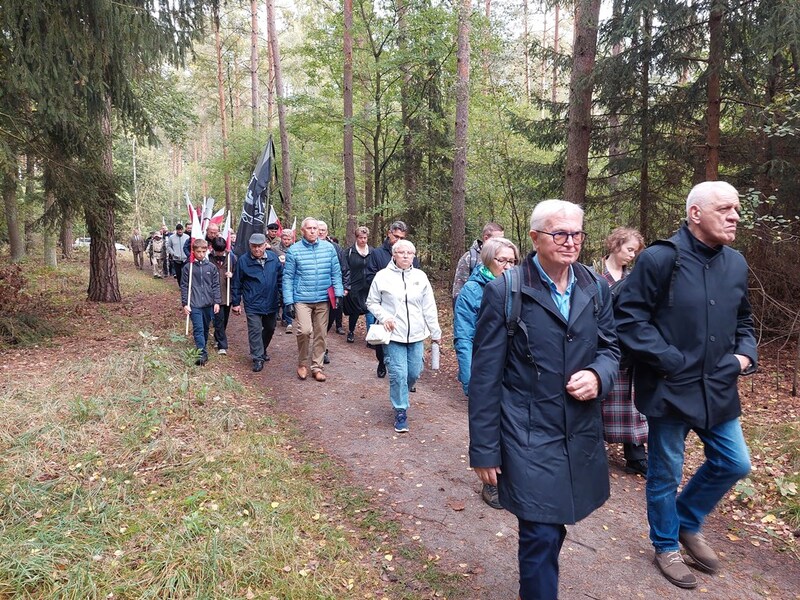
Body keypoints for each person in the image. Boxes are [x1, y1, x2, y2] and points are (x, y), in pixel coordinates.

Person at [468, 200, 619, 599]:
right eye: (560, 233)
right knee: (540, 530)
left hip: (579, 429)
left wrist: (598, 375)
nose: (571, 241)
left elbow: (611, 349)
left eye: (577, 233)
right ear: (535, 238)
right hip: (526, 432)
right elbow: (485, 378)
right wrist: (484, 450)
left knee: (553, 525)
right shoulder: (506, 290)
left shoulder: (595, 287)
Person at [614, 181, 757, 590]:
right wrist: (670, 360)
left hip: (718, 388)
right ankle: (666, 545)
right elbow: (629, 319)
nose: (735, 216)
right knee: (665, 473)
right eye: (725, 209)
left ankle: (686, 521)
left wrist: (744, 356)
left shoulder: (736, 263)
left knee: (734, 463)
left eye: (737, 209)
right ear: (695, 213)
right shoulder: (660, 259)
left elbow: (744, 320)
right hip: (669, 388)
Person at [453, 237, 520, 510]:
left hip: (515, 371)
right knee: (492, 425)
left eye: (512, 261)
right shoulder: (472, 291)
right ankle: (491, 483)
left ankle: (514, 477)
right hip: (486, 370)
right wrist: (470, 376)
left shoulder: (519, 287)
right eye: (502, 260)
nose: (508, 266)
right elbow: (464, 336)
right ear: (488, 261)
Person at [367, 239, 441, 433]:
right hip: (393, 335)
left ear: (414, 256)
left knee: (414, 372)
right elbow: (372, 302)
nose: (406, 256)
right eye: (401, 252)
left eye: (410, 253)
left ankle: (401, 393)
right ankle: (400, 410)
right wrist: (385, 317)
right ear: (394, 255)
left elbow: (429, 306)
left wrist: (435, 332)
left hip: (416, 334)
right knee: (399, 374)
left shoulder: (420, 277)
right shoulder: (382, 276)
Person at [597, 227, 648, 477]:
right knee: (599, 397)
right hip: (599, 344)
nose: (632, 255)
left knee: (631, 402)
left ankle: (635, 456)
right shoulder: (594, 274)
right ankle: (594, 449)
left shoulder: (634, 278)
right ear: (615, 245)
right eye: (629, 249)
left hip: (628, 348)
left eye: (635, 252)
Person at [283, 218, 343, 382]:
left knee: (321, 333)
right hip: (302, 298)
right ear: (302, 231)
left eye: (315, 228)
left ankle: (317, 367)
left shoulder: (329, 248)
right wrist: (288, 301)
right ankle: (302, 363)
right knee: (304, 331)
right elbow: (288, 277)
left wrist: (338, 294)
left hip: (323, 298)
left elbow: (336, 273)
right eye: (309, 228)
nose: (312, 231)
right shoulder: (294, 250)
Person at [365, 220, 419, 378]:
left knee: (406, 340)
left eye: (402, 237)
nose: (398, 240)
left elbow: (416, 277)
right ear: (389, 234)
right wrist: (386, 283)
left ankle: (406, 374)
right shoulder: (377, 253)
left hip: (406, 305)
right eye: (395, 236)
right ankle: (382, 362)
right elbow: (369, 276)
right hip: (384, 303)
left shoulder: (411, 256)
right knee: (383, 336)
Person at [231, 232, 283, 372]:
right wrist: (236, 303)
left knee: (270, 328)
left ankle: (262, 349)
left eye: (259, 246)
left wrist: (284, 297)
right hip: (252, 302)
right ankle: (257, 358)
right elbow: (237, 282)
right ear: (250, 246)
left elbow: (281, 278)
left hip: (271, 301)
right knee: (255, 330)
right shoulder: (243, 261)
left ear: (265, 245)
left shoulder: (273, 258)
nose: (257, 249)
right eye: (254, 246)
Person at [180, 238, 220, 366]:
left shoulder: (211, 267)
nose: (201, 254)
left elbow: (215, 285)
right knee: (198, 328)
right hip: (194, 303)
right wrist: (185, 303)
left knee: (205, 327)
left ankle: (203, 345)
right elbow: (184, 286)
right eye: (198, 252)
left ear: (207, 250)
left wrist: (216, 301)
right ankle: (201, 353)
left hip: (208, 303)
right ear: (193, 251)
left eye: (203, 251)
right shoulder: (188, 268)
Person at [451, 222, 505, 305]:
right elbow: (458, 292)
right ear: (486, 238)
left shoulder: (505, 258)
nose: (501, 243)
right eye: (498, 240)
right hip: (474, 308)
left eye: (503, 240)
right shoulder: (469, 258)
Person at [317, 220, 350, 343]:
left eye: (323, 230)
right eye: (318, 230)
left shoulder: (336, 248)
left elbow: (344, 267)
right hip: (313, 291)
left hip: (332, 289)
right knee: (315, 321)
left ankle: (321, 342)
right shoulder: (305, 247)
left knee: (330, 317)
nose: (320, 232)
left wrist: (345, 286)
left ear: (327, 232)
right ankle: (321, 347)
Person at [343, 226, 372, 343]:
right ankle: (351, 331)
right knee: (355, 310)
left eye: (365, 238)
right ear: (356, 238)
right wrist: (346, 285)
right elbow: (345, 269)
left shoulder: (372, 252)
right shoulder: (349, 252)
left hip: (368, 286)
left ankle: (371, 336)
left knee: (370, 310)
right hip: (354, 286)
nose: (363, 240)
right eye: (360, 238)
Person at [210, 236, 237, 356]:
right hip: (214, 295)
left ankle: (218, 336)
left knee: (224, 319)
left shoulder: (232, 258)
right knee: (219, 319)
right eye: (217, 251)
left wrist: (232, 275)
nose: (220, 253)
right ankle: (222, 345)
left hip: (227, 294)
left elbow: (238, 274)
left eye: (221, 251)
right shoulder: (209, 258)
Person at [278, 229, 295, 333]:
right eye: (284, 239)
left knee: (287, 299)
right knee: (279, 299)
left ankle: (288, 321)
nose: (286, 241)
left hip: (291, 278)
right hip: (278, 278)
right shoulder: (275, 249)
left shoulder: (295, 249)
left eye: (289, 239)